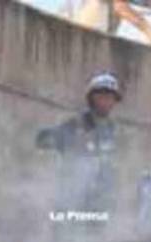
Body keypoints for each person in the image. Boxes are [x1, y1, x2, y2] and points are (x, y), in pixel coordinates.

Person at [36, 72, 123, 216]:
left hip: (100, 206)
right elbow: (42, 140)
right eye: (103, 96)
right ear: (93, 98)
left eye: (111, 98)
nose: (108, 102)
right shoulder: (75, 125)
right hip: (71, 206)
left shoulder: (112, 129)